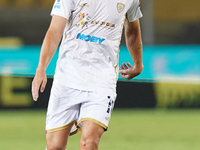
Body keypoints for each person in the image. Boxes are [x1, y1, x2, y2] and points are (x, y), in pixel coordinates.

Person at [31, 0, 143, 150]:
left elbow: (133, 29)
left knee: (89, 144)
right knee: (55, 146)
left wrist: (138, 65)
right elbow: (55, 31)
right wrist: (41, 68)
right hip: (67, 77)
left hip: (102, 80)